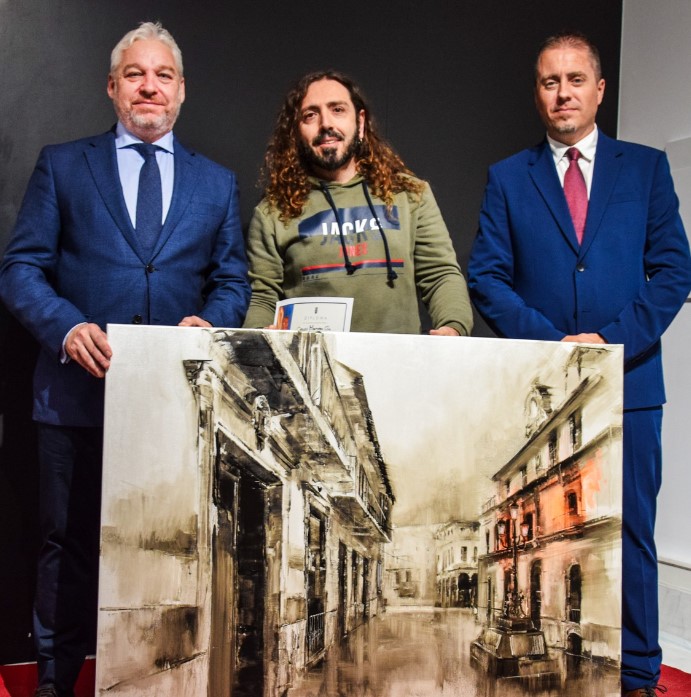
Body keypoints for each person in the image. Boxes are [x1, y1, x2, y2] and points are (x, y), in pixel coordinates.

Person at [0, 22, 250, 697]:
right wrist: (65, 326)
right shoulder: (62, 164)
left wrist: (213, 322)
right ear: (112, 88)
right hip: (72, 397)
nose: (149, 86)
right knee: (66, 551)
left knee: (164, 552)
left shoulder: (217, 183)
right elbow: (20, 268)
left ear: (181, 92)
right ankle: (56, 684)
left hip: (171, 403)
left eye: (162, 75)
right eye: (135, 74)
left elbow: (233, 281)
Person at [467, 31, 691, 697]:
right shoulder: (508, 177)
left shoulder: (645, 169)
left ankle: (639, 673)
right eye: (547, 81)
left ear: (598, 89)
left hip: (631, 384)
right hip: (539, 392)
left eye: (573, 79)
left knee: (633, 539)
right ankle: (559, 677)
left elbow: (673, 269)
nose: (561, 92)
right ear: (536, 94)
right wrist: (554, 345)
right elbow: (486, 277)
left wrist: (609, 343)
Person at [242, 70, 473, 336]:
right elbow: (262, 297)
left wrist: (453, 327)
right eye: (310, 115)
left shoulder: (410, 194)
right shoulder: (273, 212)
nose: (326, 123)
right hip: (312, 370)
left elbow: (441, 275)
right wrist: (261, 337)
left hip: (397, 367)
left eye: (338, 109)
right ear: (295, 132)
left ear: (360, 122)